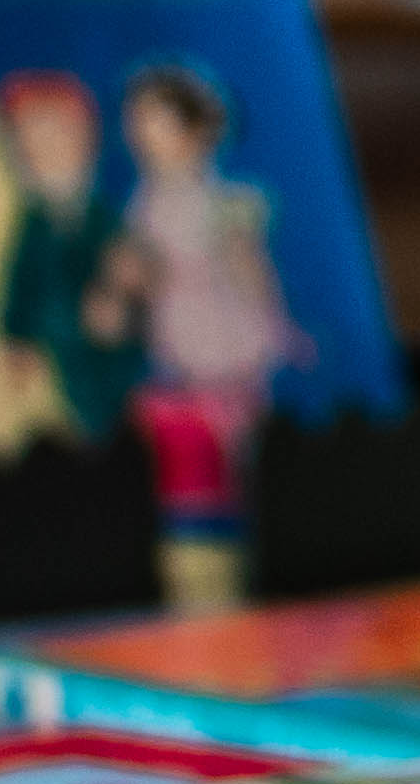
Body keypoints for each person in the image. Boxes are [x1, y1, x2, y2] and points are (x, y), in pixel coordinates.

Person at [114, 60, 305, 515]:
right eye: (138, 123)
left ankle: (249, 498)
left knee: (233, 420)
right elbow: (145, 262)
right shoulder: (147, 198)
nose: (143, 136)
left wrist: (274, 321)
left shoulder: (225, 203)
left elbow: (248, 269)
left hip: (219, 325)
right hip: (176, 325)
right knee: (187, 423)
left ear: (196, 133)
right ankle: (202, 502)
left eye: (157, 123)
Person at [0, 70, 141, 437]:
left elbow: (134, 281)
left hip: (110, 356)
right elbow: (19, 281)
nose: (45, 150)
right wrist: (13, 335)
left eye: (57, 135)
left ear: (87, 139)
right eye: (31, 140)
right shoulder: (34, 225)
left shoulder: (105, 219)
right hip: (58, 351)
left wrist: (124, 306)